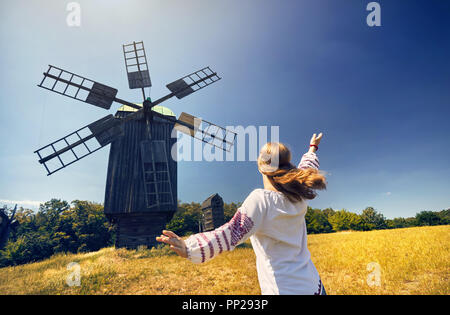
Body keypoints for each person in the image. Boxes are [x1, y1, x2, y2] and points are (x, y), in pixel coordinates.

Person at [157, 133, 327, 295]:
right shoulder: (299, 195)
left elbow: (230, 233)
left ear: (261, 166)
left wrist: (189, 248)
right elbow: (306, 169)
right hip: (314, 286)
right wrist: (313, 147)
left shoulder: (261, 200)